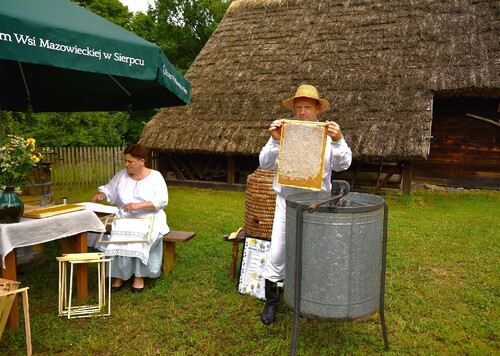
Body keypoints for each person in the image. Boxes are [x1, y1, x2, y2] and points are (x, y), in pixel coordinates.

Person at [258, 84, 352, 324]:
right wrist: (275, 141)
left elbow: (344, 165)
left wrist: (340, 140)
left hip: (317, 204)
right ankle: (271, 302)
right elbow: (265, 164)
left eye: (307, 107)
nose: (301, 112)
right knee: (279, 250)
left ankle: (305, 299)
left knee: (311, 252)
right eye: (298, 107)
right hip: (287, 202)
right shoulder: (283, 133)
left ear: (317, 109)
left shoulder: (330, 136)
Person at [91, 143, 169, 294]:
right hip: (126, 218)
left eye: (130, 161)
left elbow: (162, 201)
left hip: (150, 218)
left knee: (141, 238)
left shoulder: (155, 177)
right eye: (126, 161)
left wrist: (138, 206)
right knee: (118, 234)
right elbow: (109, 189)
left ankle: (139, 276)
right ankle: (119, 276)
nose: (127, 165)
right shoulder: (121, 175)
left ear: (141, 161)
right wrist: (102, 195)